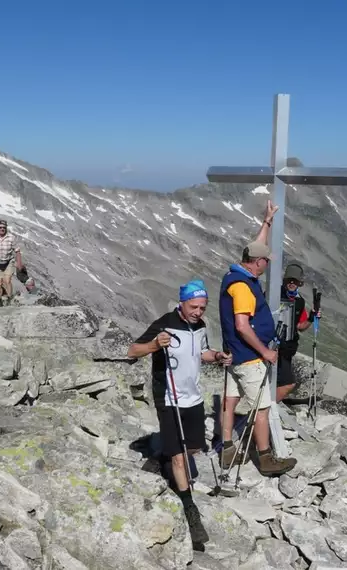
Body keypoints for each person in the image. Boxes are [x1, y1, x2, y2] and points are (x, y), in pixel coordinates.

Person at [127, 280, 231, 549]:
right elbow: (132, 350)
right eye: (194, 306)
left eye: (202, 307)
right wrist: (155, 345)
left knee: (192, 449)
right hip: (169, 398)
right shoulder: (165, 324)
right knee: (179, 457)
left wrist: (217, 356)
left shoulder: (200, 326)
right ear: (182, 303)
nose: (198, 311)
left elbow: (201, 353)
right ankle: (189, 508)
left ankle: (161, 456)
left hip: (193, 398)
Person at [218, 200, 297, 477]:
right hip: (249, 358)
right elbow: (242, 325)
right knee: (261, 409)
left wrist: (266, 222)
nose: (266, 265)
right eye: (265, 262)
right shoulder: (242, 288)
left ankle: (227, 448)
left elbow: (255, 246)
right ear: (257, 262)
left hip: (233, 356)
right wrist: (264, 352)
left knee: (229, 402)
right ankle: (265, 459)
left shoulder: (235, 273)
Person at [276, 262, 321, 402]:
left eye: (295, 281)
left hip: (286, 350)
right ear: (285, 280)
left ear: (299, 283)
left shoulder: (299, 301)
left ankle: (268, 406)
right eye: (289, 279)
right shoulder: (274, 294)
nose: (291, 283)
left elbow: (300, 326)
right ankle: (267, 409)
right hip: (271, 345)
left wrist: (311, 318)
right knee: (287, 383)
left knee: (284, 382)